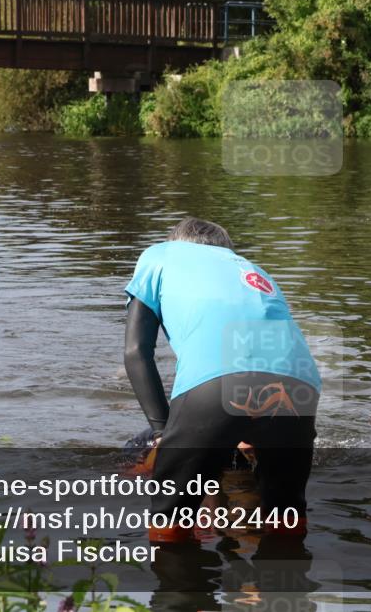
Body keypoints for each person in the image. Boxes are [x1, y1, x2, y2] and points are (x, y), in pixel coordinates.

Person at [124, 217, 320, 542]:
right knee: (287, 521)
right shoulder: (250, 269)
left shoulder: (159, 255)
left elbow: (136, 352)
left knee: (170, 524)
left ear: (177, 241)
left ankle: (176, 578)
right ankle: (286, 579)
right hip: (300, 382)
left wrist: (163, 432)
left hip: (215, 387)